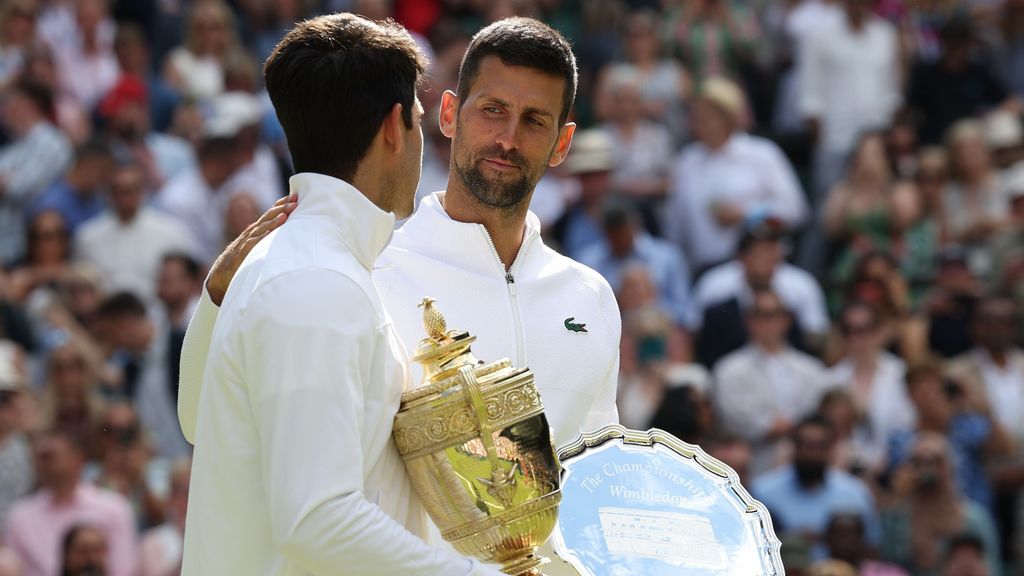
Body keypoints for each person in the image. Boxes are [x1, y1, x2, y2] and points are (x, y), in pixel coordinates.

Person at [180, 13, 499, 576]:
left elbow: (199, 420)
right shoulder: (316, 281)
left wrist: (213, 303)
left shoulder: (296, 264)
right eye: (422, 122)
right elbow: (316, 519)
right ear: (393, 128)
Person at [665, 76, 807, 274]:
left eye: (708, 114)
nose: (698, 120)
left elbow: (794, 210)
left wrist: (747, 214)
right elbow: (675, 227)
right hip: (702, 269)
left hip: (756, 271)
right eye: (695, 113)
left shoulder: (762, 153)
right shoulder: (686, 161)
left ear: (728, 117)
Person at [714, 289, 829, 475]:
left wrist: (787, 428)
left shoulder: (812, 369)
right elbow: (735, 420)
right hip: (750, 466)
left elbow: (818, 412)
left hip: (804, 466)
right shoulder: (728, 369)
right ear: (748, 321)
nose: (767, 323)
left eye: (773, 315)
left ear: (786, 320)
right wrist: (781, 427)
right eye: (760, 315)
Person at [3, 430, 137, 576]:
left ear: (78, 459)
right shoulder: (19, 516)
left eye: (49, 456)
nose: (42, 463)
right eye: (38, 457)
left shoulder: (114, 508)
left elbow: (124, 570)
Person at [752, 416, 879, 556]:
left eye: (819, 446)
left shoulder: (855, 494)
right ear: (794, 448)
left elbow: (870, 547)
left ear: (830, 449)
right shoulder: (762, 492)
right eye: (806, 446)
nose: (812, 455)